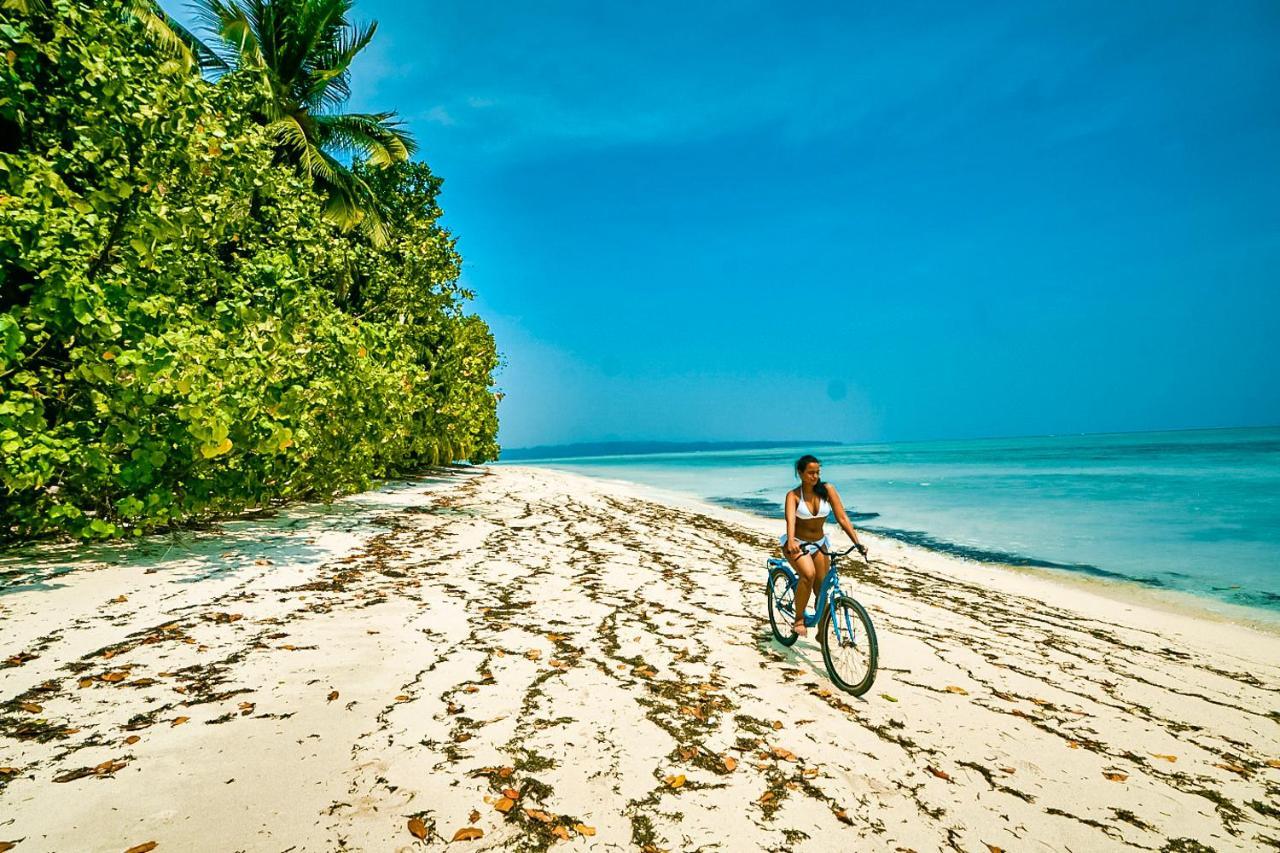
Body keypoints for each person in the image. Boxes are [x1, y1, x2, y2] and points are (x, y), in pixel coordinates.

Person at [781, 454, 868, 636]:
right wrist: (790, 541)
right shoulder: (793, 495)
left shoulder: (827, 490)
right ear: (800, 473)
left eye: (817, 472)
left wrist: (857, 542)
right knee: (808, 575)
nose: (815, 476)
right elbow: (791, 521)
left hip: (820, 543)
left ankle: (822, 631)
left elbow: (842, 518)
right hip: (797, 543)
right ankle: (798, 619)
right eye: (811, 473)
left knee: (822, 588)